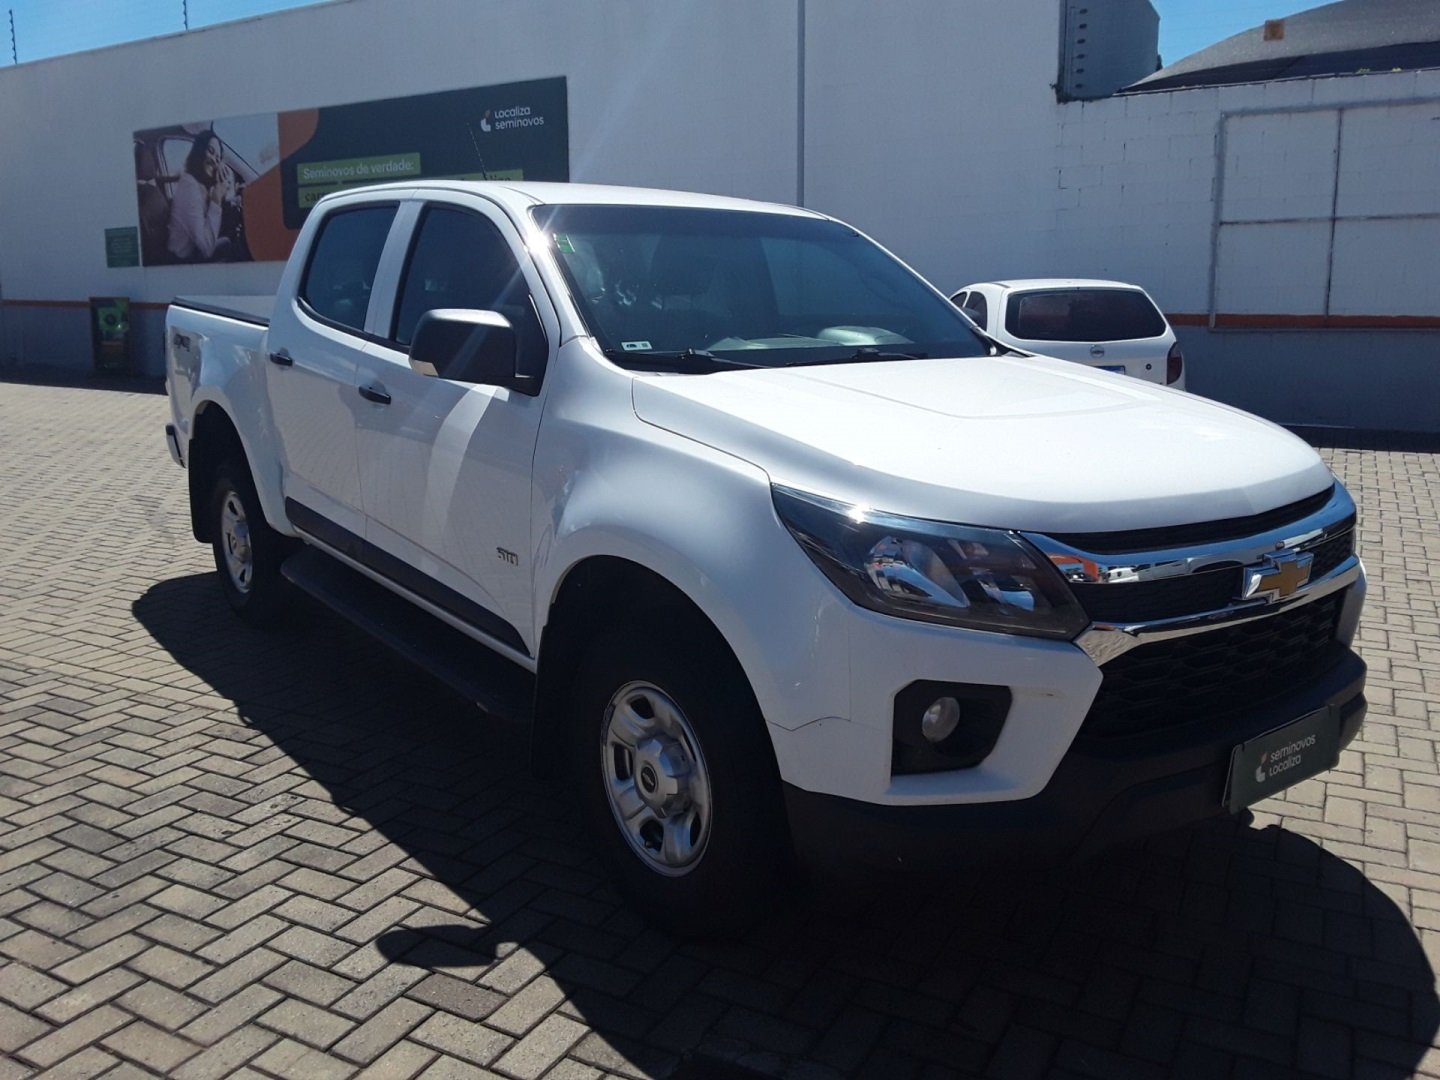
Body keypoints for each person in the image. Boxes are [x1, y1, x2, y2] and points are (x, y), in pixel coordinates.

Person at [166, 131, 237, 262]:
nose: (214, 160)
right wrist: (216, 200)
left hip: (193, 253)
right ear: (199, 151)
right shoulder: (189, 186)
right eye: (210, 151)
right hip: (181, 260)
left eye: (218, 157)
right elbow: (207, 248)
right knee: (232, 246)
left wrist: (225, 192)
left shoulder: (200, 185)